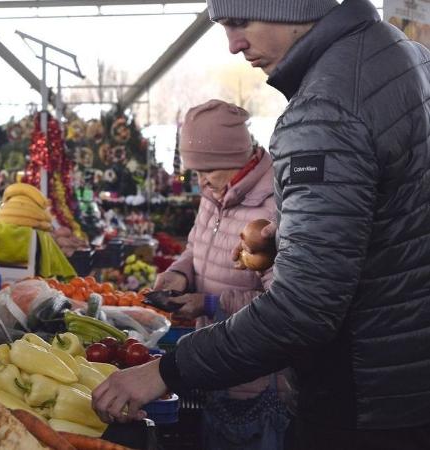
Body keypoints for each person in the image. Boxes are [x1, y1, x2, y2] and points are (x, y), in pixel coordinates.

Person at [92, 1, 430, 448]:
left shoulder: (326, 107)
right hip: (404, 381)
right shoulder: (402, 56)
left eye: (239, 21)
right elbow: (397, 226)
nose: (234, 45)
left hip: (361, 396)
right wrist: (293, 244)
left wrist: (165, 370)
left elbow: (305, 308)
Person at [155, 100, 289, 449]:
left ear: (237, 159)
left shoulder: (274, 207)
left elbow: (286, 304)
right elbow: (196, 247)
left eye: (208, 173)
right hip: (216, 365)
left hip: (259, 381)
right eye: (196, 173)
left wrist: (211, 303)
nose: (201, 183)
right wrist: (179, 275)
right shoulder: (216, 193)